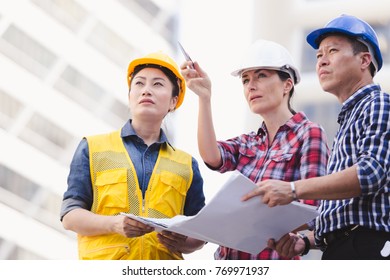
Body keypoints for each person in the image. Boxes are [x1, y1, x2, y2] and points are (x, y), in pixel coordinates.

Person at [242, 15, 390, 260]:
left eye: (332, 51)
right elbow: (343, 213)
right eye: (319, 55)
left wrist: (292, 189)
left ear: (364, 60)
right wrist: (305, 241)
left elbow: (370, 173)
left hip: (368, 247)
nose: (321, 61)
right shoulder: (347, 121)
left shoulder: (379, 103)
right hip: (341, 249)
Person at [180, 39, 329, 260]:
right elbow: (212, 157)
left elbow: (312, 210)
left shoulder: (309, 134)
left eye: (261, 76)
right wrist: (204, 98)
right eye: (245, 80)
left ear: (287, 84)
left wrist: (250, 223)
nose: (251, 86)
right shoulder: (249, 142)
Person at [60, 51, 206, 260]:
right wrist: (114, 225)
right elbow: (70, 216)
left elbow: (200, 233)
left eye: (157, 84)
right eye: (139, 84)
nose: (146, 90)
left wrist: (184, 242)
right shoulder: (92, 148)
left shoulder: (186, 165)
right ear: (130, 97)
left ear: (173, 102)